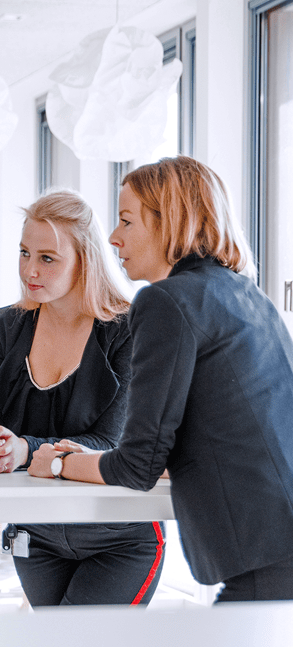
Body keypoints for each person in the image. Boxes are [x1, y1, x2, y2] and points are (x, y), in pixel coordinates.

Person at [29, 156, 293, 603]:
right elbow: (224, 432)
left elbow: (138, 466)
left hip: (264, 551)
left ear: (169, 222)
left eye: (127, 221)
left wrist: (57, 463)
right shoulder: (246, 295)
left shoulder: (165, 302)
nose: (113, 238)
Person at [0, 190, 165, 607]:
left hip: (119, 536)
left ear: (85, 260)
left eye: (46, 258)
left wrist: (24, 449)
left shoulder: (127, 329)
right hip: (35, 537)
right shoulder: (4, 328)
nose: (29, 270)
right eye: (24, 253)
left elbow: (113, 443)